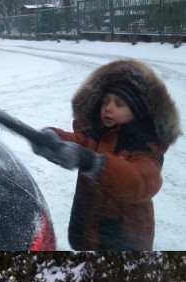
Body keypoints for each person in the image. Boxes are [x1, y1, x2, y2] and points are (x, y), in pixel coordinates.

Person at [32, 59, 179, 250]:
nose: (108, 108)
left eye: (119, 104)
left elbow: (141, 182)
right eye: (105, 102)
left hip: (125, 237)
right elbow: (77, 141)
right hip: (87, 227)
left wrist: (96, 164)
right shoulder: (97, 133)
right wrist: (52, 139)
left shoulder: (146, 147)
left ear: (137, 111)